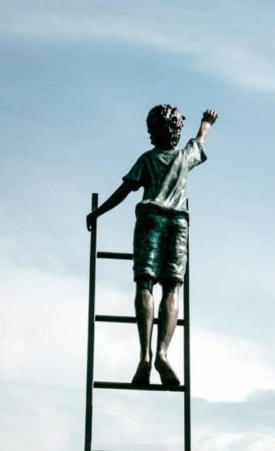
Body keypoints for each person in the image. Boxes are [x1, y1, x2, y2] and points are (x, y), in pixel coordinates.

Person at [86, 104, 218, 386]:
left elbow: (124, 191)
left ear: (159, 131)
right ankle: (162, 353)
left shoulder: (147, 159)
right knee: (172, 288)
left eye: (151, 129)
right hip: (178, 223)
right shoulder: (184, 157)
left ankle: (145, 355)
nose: (148, 134)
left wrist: (98, 213)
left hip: (150, 221)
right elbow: (200, 139)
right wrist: (206, 123)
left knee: (144, 284)